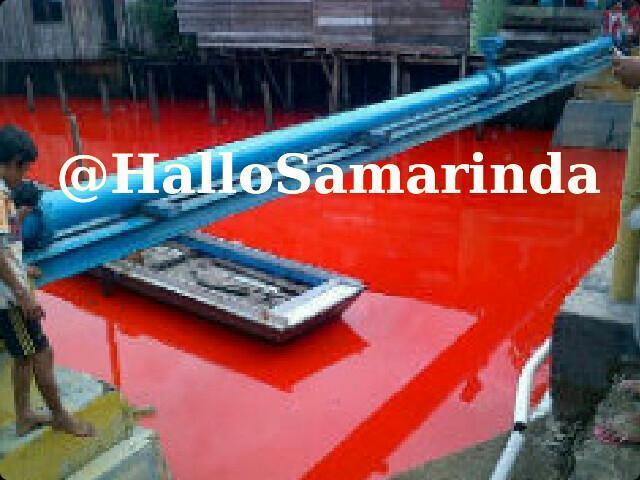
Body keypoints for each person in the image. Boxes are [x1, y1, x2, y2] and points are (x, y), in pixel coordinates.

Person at [0, 124, 95, 437]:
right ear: (13, 162)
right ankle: (59, 416)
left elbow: (6, 242)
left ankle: (26, 414)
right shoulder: (0, 197)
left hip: (10, 289)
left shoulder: (4, 198)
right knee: (39, 352)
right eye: (24, 169)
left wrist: (22, 268)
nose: (24, 177)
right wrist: (22, 293)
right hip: (8, 298)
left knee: (24, 355)